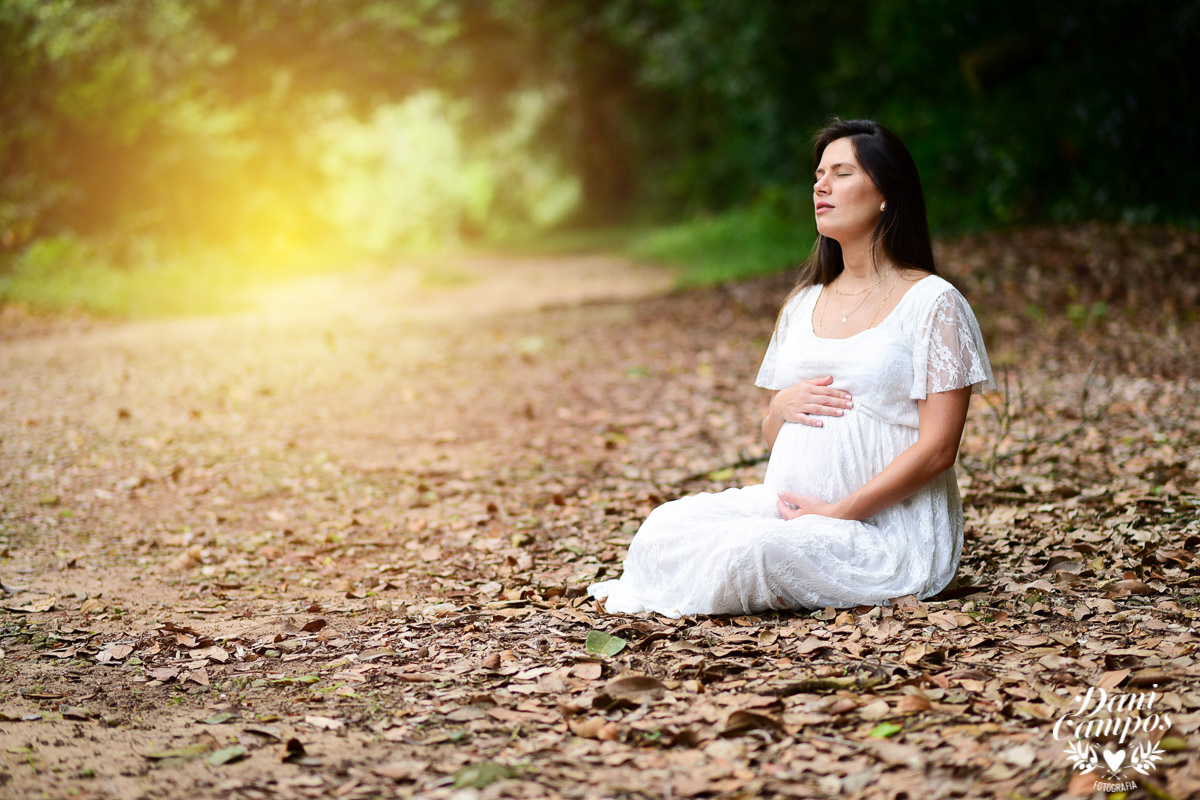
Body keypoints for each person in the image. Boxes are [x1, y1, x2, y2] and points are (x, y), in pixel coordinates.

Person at [587, 118, 995, 618]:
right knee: (663, 527)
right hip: (791, 506)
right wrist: (779, 407)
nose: (821, 185)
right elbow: (776, 438)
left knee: (756, 552)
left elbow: (938, 450)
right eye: (819, 174)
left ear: (888, 193)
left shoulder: (933, 303)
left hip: (886, 528)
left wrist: (838, 513)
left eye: (841, 173)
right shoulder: (803, 304)